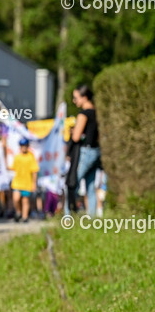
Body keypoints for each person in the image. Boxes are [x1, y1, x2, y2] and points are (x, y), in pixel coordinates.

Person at [69, 85, 101, 215]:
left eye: (76, 98)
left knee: (72, 183)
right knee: (90, 186)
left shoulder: (83, 114)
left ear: (84, 97)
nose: (74, 101)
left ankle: (68, 216)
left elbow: (76, 137)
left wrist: (72, 132)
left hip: (86, 152)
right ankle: (92, 218)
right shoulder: (97, 113)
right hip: (96, 151)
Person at [11, 138, 39, 222]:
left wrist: (34, 183)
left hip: (27, 182)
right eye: (22, 146)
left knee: (25, 200)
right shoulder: (17, 157)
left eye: (25, 146)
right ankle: (19, 212)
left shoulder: (31, 157)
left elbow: (34, 171)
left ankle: (25, 216)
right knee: (16, 199)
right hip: (17, 182)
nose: (24, 148)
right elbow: (13, 167)